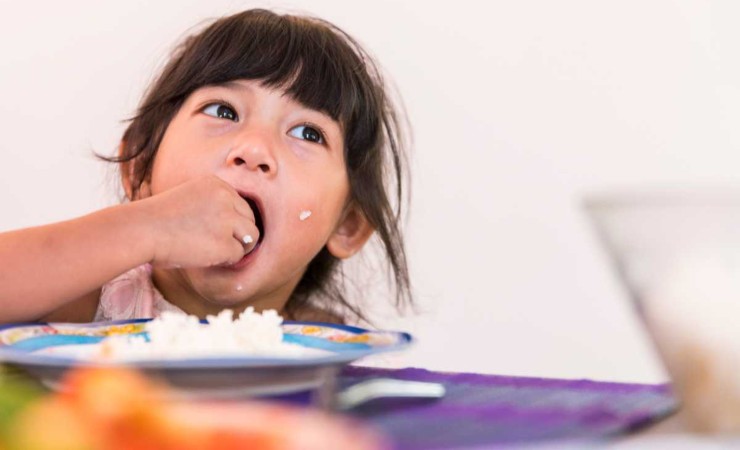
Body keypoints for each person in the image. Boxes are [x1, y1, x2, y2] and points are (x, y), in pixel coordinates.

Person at [0, 9, 411, 325]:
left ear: (348, 225)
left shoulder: (318, 340)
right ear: (140, 169)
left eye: (307, 133)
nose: (253, 148)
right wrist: (141, 228)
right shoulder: (84, 302)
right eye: (223, 110)